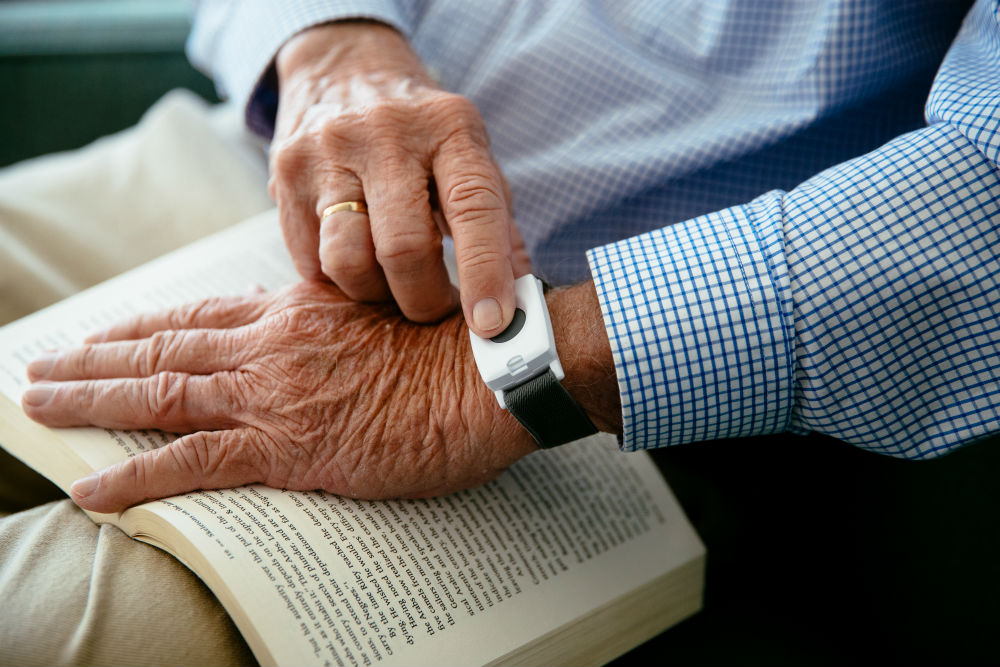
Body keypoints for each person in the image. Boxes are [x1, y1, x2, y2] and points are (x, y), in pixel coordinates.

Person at [2, 0, 998, 664]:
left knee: (35, 620)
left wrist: (497, 368)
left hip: (599, 389)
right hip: (278, 161)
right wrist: (334, 48)